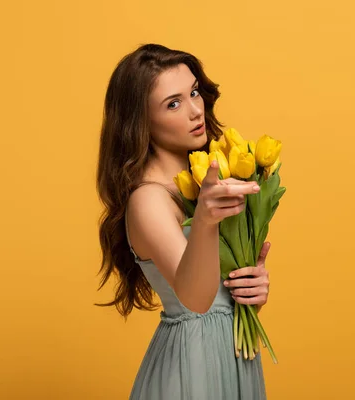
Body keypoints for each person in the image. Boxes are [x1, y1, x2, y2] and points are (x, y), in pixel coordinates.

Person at [95, 43, 272, 399]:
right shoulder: (148, 199)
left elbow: (217, 290)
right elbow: (195, 298)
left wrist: (250, 287)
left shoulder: (201, 182)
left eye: (193, 92)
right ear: (140, 120)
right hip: (194, 362)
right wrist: (205, 219)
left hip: (232, 353)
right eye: (173, 103)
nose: (195, 110)